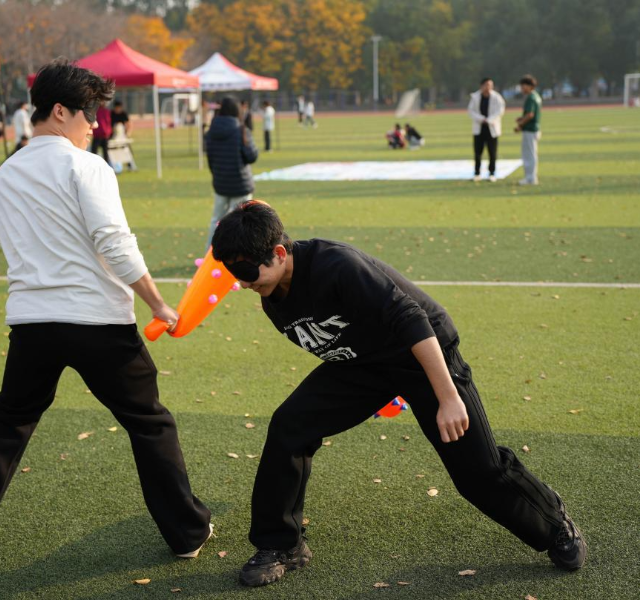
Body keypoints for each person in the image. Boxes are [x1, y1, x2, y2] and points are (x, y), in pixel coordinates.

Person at [0, 58, 213, 559]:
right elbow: (114, 243)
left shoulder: (1, 179)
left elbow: (12, 246)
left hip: (33, 324)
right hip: (98, 322)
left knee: (10, 414)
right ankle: (186, 533)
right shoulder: (86, 166)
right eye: (88, 113)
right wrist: (158, 303)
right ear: (59, 111)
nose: (95, 124)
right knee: (149, 422)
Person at [210, 201, 587, 588]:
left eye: (245, 271)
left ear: (278, 253)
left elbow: (411, 319)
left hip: (422, 355)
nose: (241, 282)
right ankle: (282, 546)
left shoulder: (336, 266)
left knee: (478, 473)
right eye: (232, 272)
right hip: (362, 364)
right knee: (291, 426)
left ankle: (553, 522)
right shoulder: (273, 289)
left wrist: (447, 397)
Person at [203, 97, 258, 250]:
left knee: (216, 220)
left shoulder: (211, 132)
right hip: (241, 183)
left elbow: (210, 158)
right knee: (241, 221)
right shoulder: (241, 130)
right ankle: (238, 253)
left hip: (220, 182)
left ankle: (210, 252)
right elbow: (251, 156)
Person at [468, 77, 506, 182]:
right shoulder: (475, 97)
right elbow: (471, 111)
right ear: (482, 86)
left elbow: (500, 111)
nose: (488, 88)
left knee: (492, 152)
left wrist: (489, 119)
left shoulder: (496, 97)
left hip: (492, 127)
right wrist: (481, 119)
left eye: (490, 85)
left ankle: (492, 173)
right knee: (477, 152)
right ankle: (477, 173)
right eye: (486, 85)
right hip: (479, 128)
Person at [514, 74, 542, 185]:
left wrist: (520, 125)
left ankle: (530, 178)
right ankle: (531, 177)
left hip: (530, 130)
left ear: (529, 86)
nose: (522, 89)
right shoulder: (536, 96)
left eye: (523, 86)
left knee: (529, 155)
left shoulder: (531, 97)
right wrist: (522, 118)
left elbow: (530, 115)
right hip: (534, 129)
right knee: (531, 154)